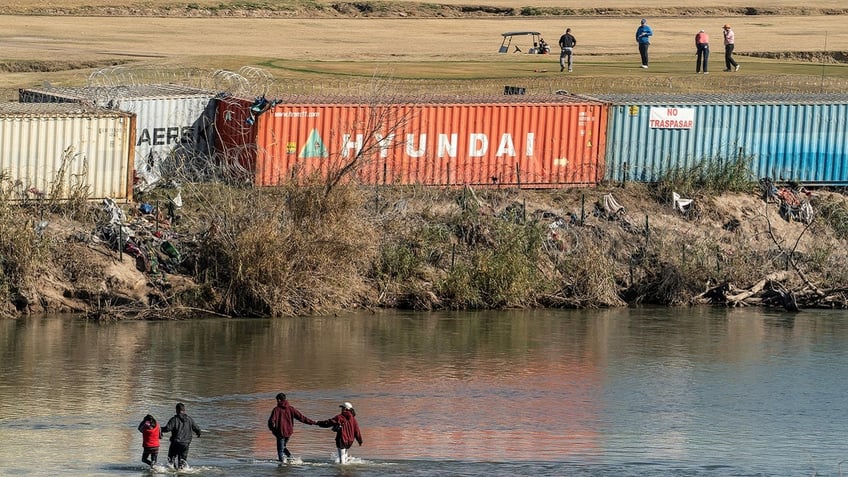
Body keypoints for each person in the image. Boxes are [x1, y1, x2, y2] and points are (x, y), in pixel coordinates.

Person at [267, 392, 316, 462]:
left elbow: (271, 422)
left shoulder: (276, 409)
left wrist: (273, 430)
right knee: (283, 447)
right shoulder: (291, 409)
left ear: (279, 400)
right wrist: (312, 422)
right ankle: (291, 459)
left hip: (280, 432)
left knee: (280, 449)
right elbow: (301, 418)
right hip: (289, 432)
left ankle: (282, 464)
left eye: (277, 400)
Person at [161, 402, 201, 469]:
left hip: (175, 443)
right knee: (182, 461)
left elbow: (167, 429)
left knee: (171, 459)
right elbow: (196, 428)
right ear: (184, 410)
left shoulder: (174, 419)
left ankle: (172, 471)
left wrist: (159, 429)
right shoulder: (189, 419)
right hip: (185, 444)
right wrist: (198, 433)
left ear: (176, 410)